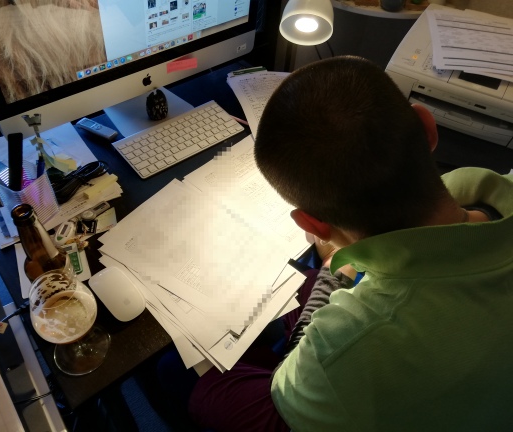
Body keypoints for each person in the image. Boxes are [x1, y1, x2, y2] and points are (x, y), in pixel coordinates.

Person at [187, 56, 513, 431]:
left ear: (312, 224)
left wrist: (331, 274)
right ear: (427, 128)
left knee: (200, 385)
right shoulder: (485, 185)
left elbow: (291, 381)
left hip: (316, 390)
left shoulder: (347, 345)